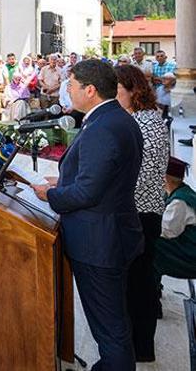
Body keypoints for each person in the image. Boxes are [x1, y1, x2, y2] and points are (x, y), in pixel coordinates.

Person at [32, 59, 143, 371]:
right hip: (112, 232)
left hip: (99, 244)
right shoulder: (115, 118)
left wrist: (51, 194)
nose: (67, 92)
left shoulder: (103, 127)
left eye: (71, 87)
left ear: (90, 90)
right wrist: (65, 180)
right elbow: (103, 176)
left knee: (110, 328)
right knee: (113, 323)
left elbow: (87, 194)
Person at [115, 64, 169, 362]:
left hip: (143, 213)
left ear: (134, 90)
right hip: (138, 211)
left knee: (140, 284)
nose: (115, 97)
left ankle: (141, 349)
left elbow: (144, 175)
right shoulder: (140, 118)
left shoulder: (147, 123)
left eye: (118, 91)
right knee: (136, 283)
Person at [154, 157, 196, 280]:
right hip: (189, 247)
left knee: (151, 247)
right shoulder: (185, 191)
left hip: (191, 254)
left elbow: (168, 231)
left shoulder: (179, 202)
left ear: (165, 178)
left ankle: (151, 291)